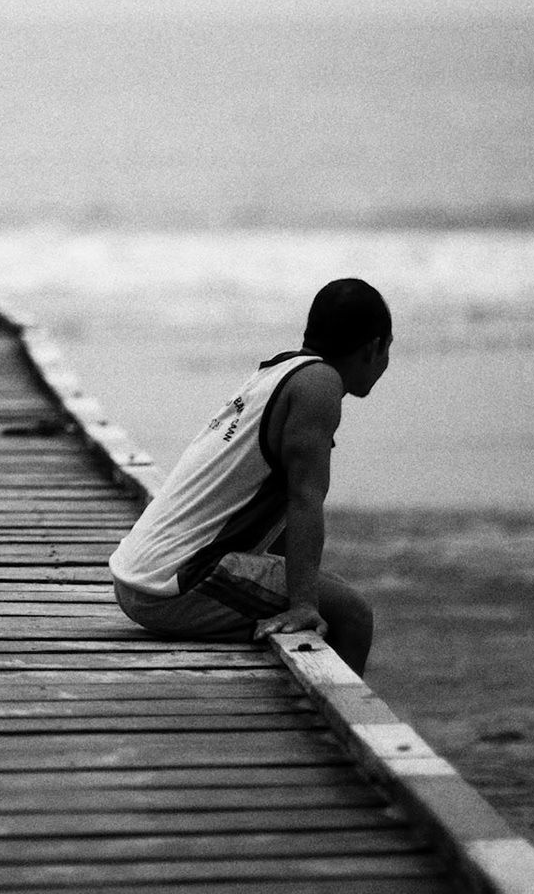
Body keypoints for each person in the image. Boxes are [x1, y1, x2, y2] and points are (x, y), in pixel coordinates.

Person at [109, 278, 391, 674]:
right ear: (375, 347)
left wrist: (298, 594)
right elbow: (305, 499)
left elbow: (273, 514)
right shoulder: (319, 384)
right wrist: (303, 604)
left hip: (139, 578)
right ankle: (336, 730)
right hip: (174, 586)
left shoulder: (278, 373)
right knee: (353, 615)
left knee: (318, 592)